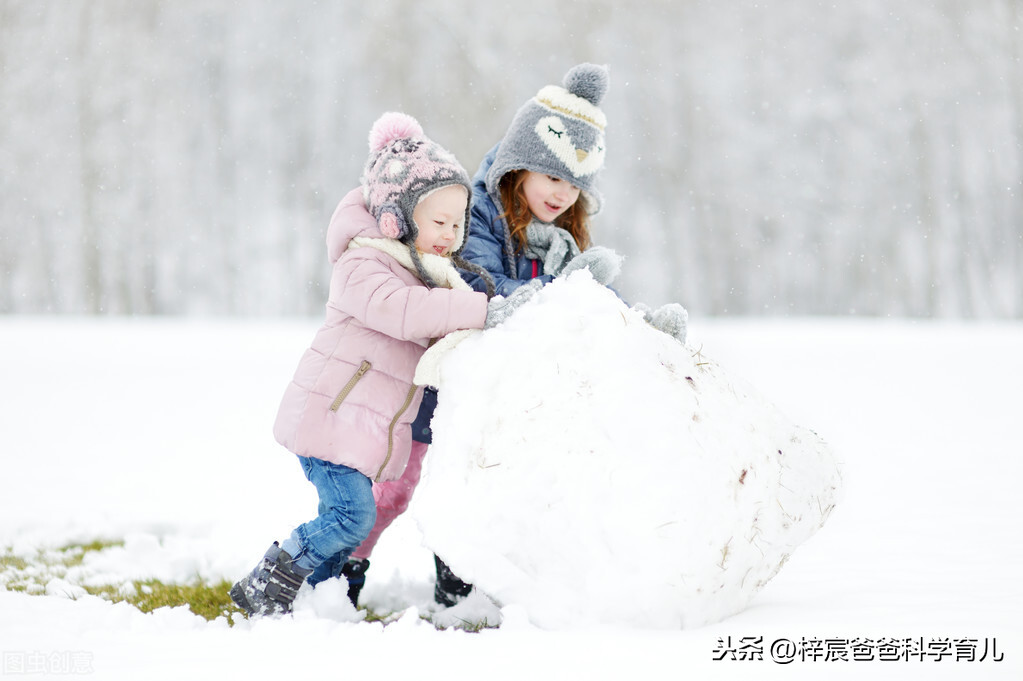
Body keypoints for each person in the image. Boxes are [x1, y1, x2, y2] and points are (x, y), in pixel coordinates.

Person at [337, 64, 687, 609]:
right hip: (442, 375)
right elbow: (478, 279)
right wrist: (551, 292)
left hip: (502, 390)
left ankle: (460, 592)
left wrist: (638, 325)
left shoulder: (556, 238)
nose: (562, 193)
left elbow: (584, 297)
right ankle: (342, 575)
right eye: (552, 177)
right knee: (396, 489)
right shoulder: (475, 212)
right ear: (520, 167)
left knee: (484, 485)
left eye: (574, 184)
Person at [229, 112, 536, 618]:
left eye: (457, 224)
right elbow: (402, 311)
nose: (450, 234)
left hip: (359, 430)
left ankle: (320, 599)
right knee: (352, 516)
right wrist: (481, 309)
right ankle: (272, 577)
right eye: (438, 222)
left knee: (349, 516)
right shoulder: (364, 263)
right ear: (397, 216)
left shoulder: (426, 271)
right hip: (329, 419)